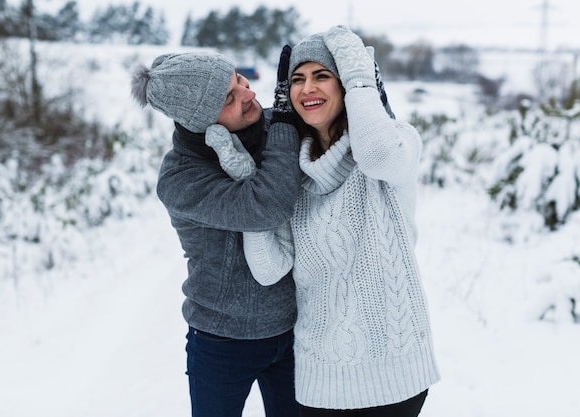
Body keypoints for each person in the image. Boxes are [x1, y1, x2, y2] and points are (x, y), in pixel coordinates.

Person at [209, 26, 440, 417]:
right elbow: (268, 268)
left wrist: (359, 71)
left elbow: (376, 155)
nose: (306, 89)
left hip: (394, 376)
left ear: (348, 81)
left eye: (322, 75)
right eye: (297, 79)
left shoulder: (398, 143)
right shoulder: (290, 178)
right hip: (321, 382)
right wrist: (249, 181)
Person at [130, 48, 302, 417]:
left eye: (240, 80)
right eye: (230, 97)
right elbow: (266, 205)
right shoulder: (180, 179)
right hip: (221, 343)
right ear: (199, 120)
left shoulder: (276, 126)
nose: (250, 94)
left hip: (295, 330)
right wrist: (286, 128)